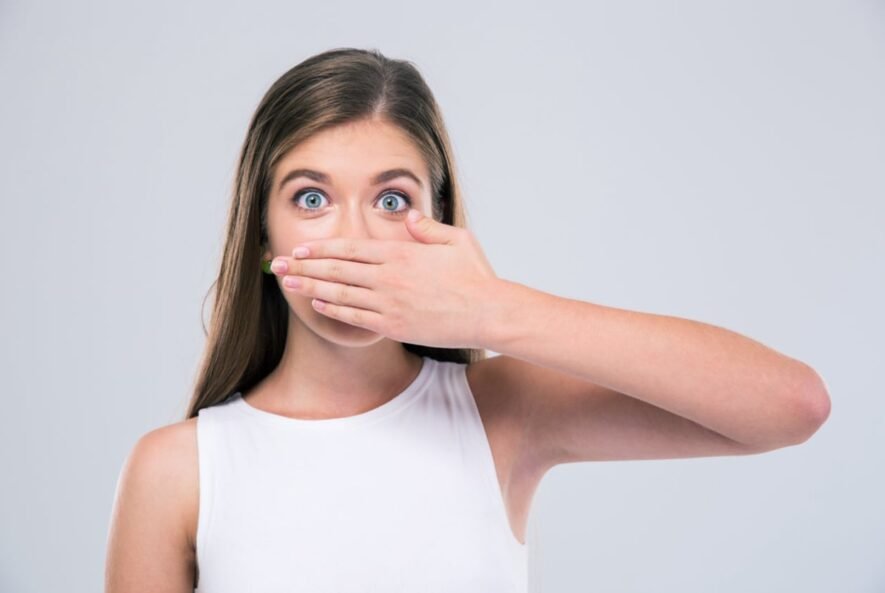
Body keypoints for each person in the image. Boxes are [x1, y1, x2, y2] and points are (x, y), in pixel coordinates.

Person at [104, 47, 831, 593]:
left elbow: (791, 405)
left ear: (440, 224)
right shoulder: (176, 469)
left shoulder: (501, 413)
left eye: (392, 200)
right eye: (311, 199)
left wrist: (493, 309)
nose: (354, 238)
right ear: (264, 238)